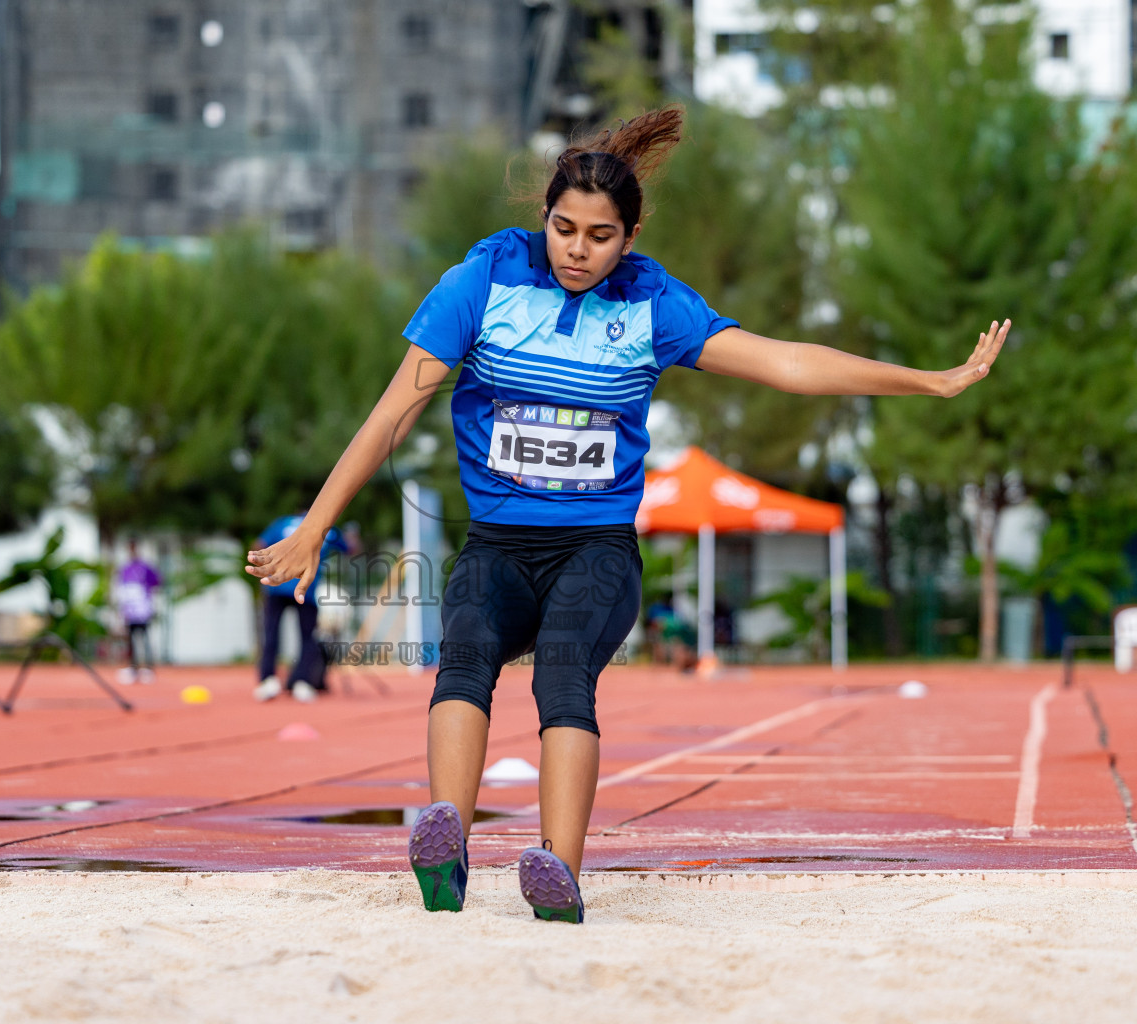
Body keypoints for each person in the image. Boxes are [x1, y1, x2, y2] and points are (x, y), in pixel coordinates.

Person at [246, 106, 1010, 923]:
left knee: (565, 670)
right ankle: (447, 839)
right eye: (563, 228)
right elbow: (393, 409)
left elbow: (785, 363)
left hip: (596, 551)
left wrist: (931, 380)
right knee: (463, 654)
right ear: (543, 218)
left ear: (630, 236)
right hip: (497, 543)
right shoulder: (484, 282)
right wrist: (316, 526)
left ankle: (557, 867)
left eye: (600, 235)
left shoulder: (653, 306)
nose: (577, 249)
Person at [253, 513, 353, 703]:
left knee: (271, 635)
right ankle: (302, 682)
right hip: (305, 589)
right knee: (308, 638)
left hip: (276, 586)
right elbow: (350, 548)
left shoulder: (282, 523)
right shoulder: (326, 527)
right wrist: (352, 535)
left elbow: (259, 546)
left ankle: (267, 680)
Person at [115, 539, 161, 684]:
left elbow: (157, 582)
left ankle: (148, 668)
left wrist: (147, 600)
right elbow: (121, 589)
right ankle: (133, 668)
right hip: (130, 610)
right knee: (131, 640)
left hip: (143, 609)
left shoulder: (145, 568)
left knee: (145, 637)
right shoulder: (124, 568)